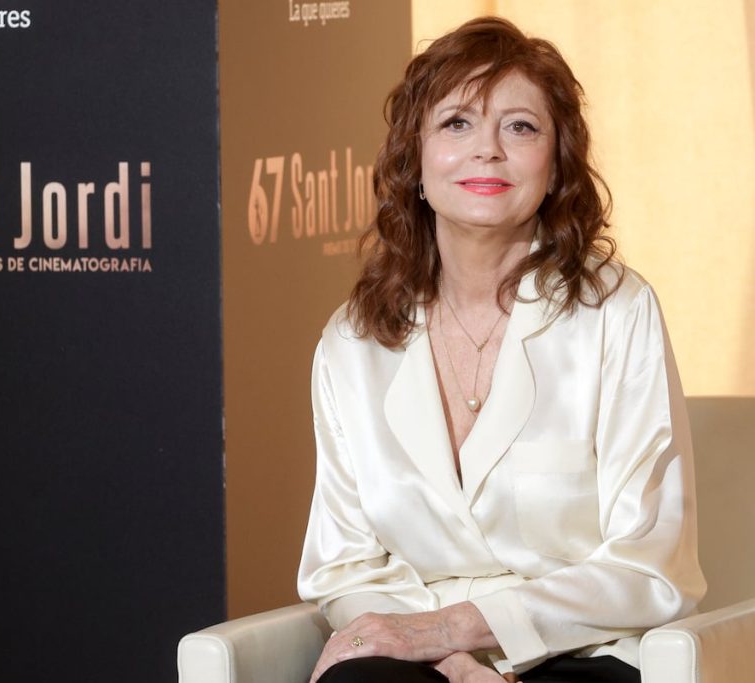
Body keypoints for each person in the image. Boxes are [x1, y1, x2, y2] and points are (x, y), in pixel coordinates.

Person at [297, 16, 705, 683]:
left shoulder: (617, 312)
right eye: (457, 123)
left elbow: (649, 563)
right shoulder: (354, 340)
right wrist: (452, 657)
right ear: (415, 162)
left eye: (519, 127)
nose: (487, 150)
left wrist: (461, 626)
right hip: (421, 653)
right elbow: (343, 566)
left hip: (580, 649)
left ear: (556, 164)